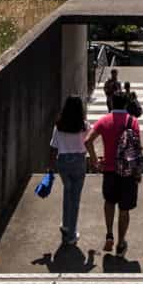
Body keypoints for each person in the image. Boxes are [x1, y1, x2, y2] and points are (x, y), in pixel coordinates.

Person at [85, 91, 142, 255]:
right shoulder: (133, 122)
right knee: (124, 209)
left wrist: (95, 161)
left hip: (109, 170)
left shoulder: (104, 121)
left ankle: (109, 234)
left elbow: (88, 141)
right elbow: (136, 149)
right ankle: (121, 242)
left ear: (111, 102)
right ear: (125, 104)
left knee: (109, 202)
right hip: (128, 172)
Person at [48, 95, 88, 245]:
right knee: (75, 198)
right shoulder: (84, 125)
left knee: (67, 192)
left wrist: (51, 168)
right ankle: (71, 234)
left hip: (63, 162)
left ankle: (66, 225)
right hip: (79, 162)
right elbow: (88, 142)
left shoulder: (59, 126)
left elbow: (53, 148)